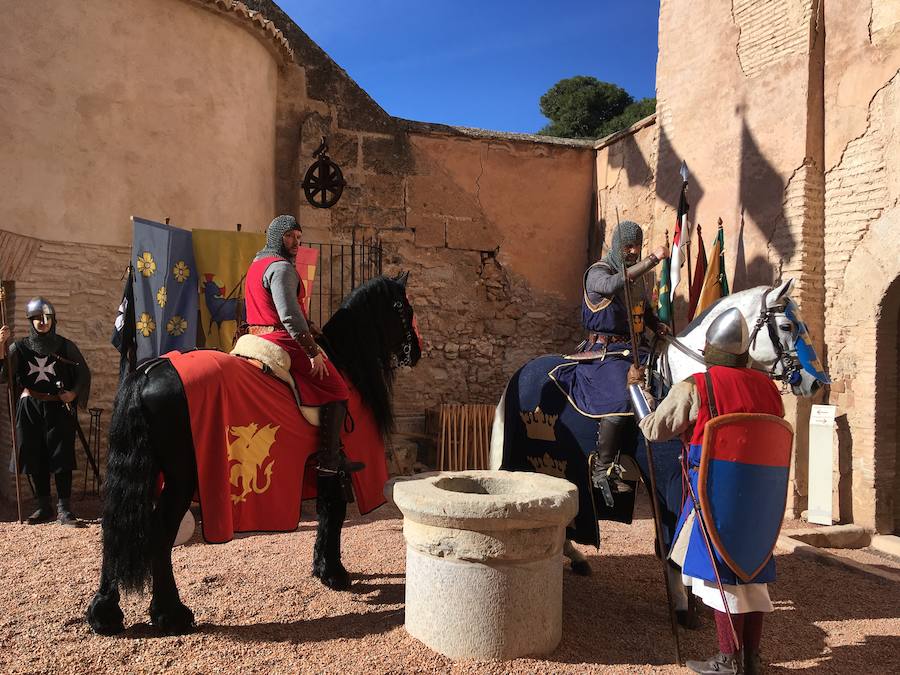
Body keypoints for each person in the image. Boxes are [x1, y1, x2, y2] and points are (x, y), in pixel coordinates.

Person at [633, 308, 785, 674]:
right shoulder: (769, 388)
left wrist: (637, 392)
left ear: (709, 348)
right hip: (759, 502)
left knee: (722, 581)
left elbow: (654, 430)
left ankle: (728, 660)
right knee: (752, 579)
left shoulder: (699, 385)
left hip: (714, 494)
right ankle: (751, 659)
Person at [243, 215, 355, 484]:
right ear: (276, 238)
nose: (296, 242)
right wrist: (311, 351)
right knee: (338, 389)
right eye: (290, 236)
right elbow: (289, 317)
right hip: (281, 341)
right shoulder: (281, 268)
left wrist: (313, 327)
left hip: (254, 336)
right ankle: (329, 462)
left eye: (299, 237)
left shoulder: (256, 265)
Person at [578, 220, 668, 494]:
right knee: (621, 397)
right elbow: (613, 285)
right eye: (628, 246)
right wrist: (653, 259)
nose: (632, 251)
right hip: (603, 353)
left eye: (637, 247)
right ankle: (601, 470)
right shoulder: (597, 272)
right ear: (617, 245)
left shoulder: (636, 278)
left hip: (635, 348)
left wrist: (656, 325)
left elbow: (644, 309)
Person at [0, 297, 91, 526]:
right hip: (30, 407)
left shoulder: (64, 345)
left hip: (58, 408)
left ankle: (64, 509)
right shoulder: (18, 347)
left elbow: (83, 373)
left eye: (46, 317)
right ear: (30, 321)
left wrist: (73, 393)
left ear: (53, 319)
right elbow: (3, 376)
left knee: (61, 457)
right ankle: (43, 506)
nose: (42, 322)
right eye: (38, 318)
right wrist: (1, 348)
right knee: (34, 455)